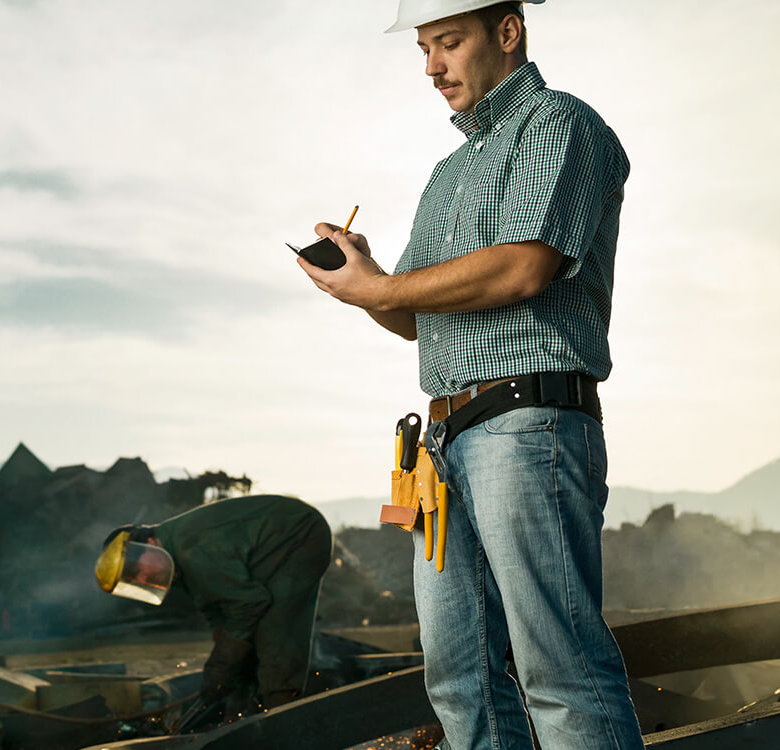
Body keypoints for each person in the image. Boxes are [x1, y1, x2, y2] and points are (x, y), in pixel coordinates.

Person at [297, 1, 644, 748]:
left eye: (448, 44)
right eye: (423, 49)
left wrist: (384, 289)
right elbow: (417, 315)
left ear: (508, 33)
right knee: (459, 681)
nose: (431, 68)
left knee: (561, 673)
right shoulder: (449, 172)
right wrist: (364, 280)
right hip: (443, 446)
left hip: (530, 426)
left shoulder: (561, 126)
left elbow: (524, 268)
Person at [94, 494, 331, 712]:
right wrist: (225, 668)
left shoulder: (192, 548)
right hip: (269, 550)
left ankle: (284, 713)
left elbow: (249, 603)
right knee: (245, 644)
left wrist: (221, 663)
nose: (142, 578)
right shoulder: (177, 558)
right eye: (133, 578)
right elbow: (215, 608)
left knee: (273, 630)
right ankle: (246, 711)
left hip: (300, 533)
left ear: (147, 544)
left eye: (137, 570)